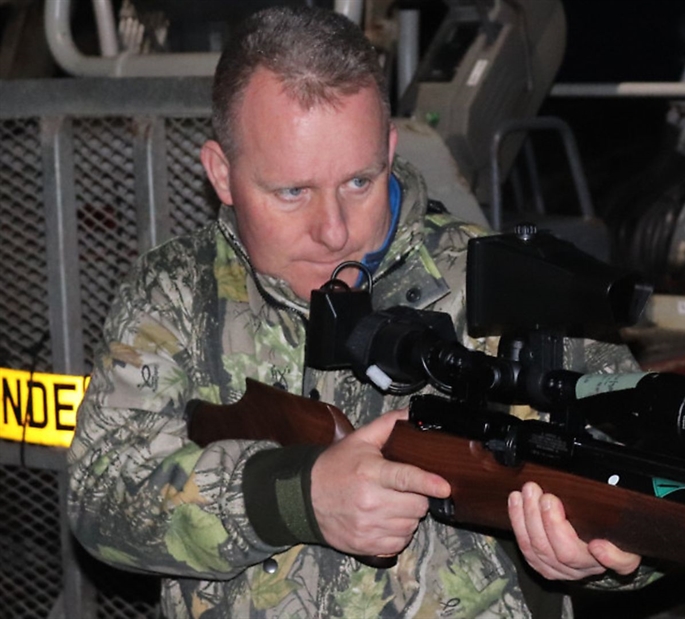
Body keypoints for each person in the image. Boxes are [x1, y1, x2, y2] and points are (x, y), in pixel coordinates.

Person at [66, 6, 652, 618]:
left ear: (389, 148)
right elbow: (99, 498)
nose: (333, 230)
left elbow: (644, 483)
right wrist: (299, 497)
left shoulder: (494, 286)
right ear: (221, 173)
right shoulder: (177, 292)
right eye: (292, 192)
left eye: (359, 182)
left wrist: (611, 559)